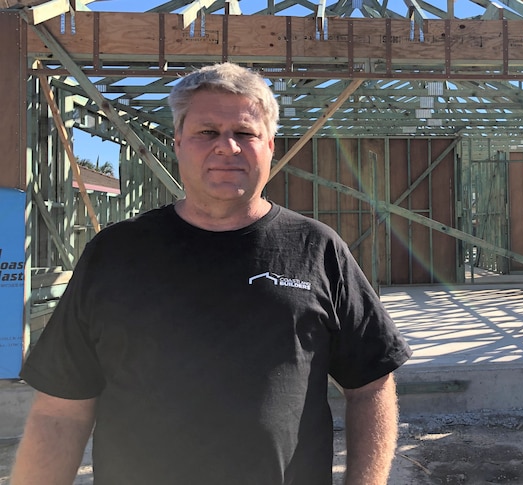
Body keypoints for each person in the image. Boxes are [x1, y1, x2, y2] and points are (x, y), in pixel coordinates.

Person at [11, 62, 412, 485]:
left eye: (244, 133)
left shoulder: (316, 249)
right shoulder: (115, 253)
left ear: (270, 145)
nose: (227, 147)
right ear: (178, 141)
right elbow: (60, 410)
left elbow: (371, 386)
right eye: (207, 132)